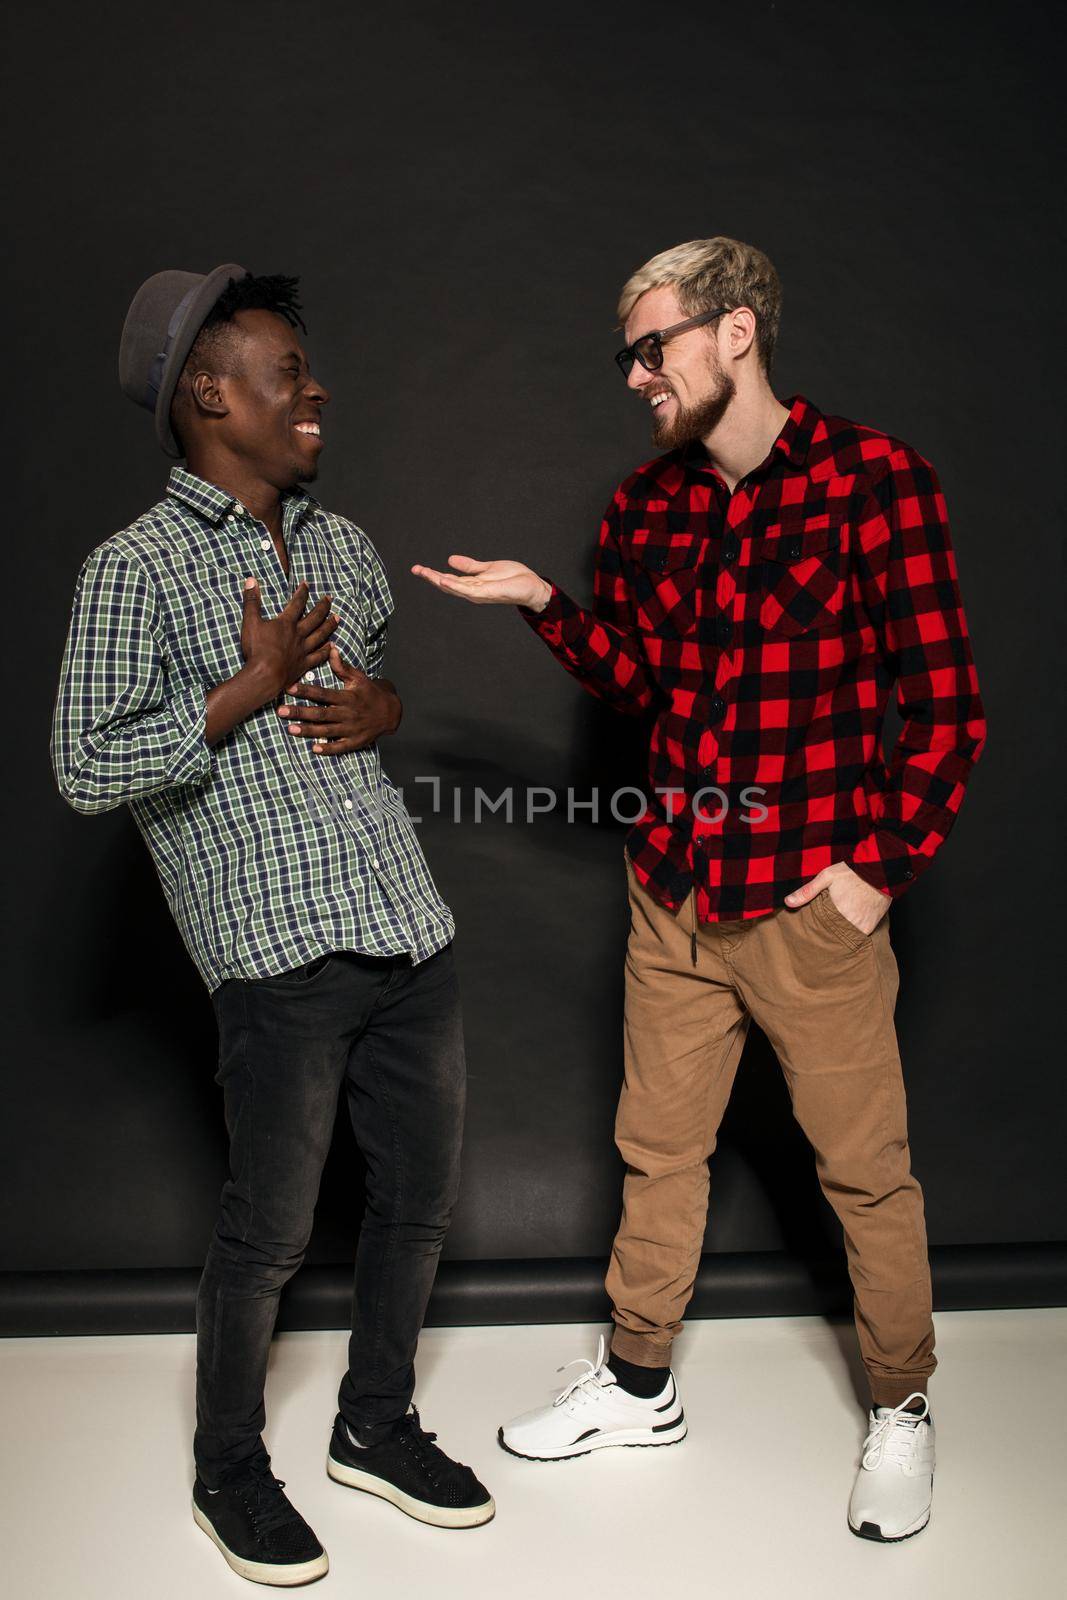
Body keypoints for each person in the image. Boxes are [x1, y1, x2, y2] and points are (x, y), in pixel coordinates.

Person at [412, 235, 986, 1543]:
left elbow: (946, 711)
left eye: (654, 344)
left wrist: (870, 880)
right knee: (657, 1153)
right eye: (627, 353)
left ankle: (901, 1407)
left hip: (809, 912)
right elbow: (645, 685)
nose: (636, 374)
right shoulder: (645, 507)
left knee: (866, 1176)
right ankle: (636, 1384)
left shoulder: (877, 484)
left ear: (737, 334)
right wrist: (543, 603)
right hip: (674, 892)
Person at [51, 265, 494, 1587]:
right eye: (287, 372)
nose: (315, 391)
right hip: (276, 955)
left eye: (308, 371)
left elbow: (366, 689)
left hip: (406, 926)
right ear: (208, 393)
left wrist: (389, 709)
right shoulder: (132, 569)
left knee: (417, 1201)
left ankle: (374, 1426)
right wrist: (246, 687)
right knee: (272, 1230)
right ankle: (228, 1474)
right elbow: (83, 766)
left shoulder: (344, 544)